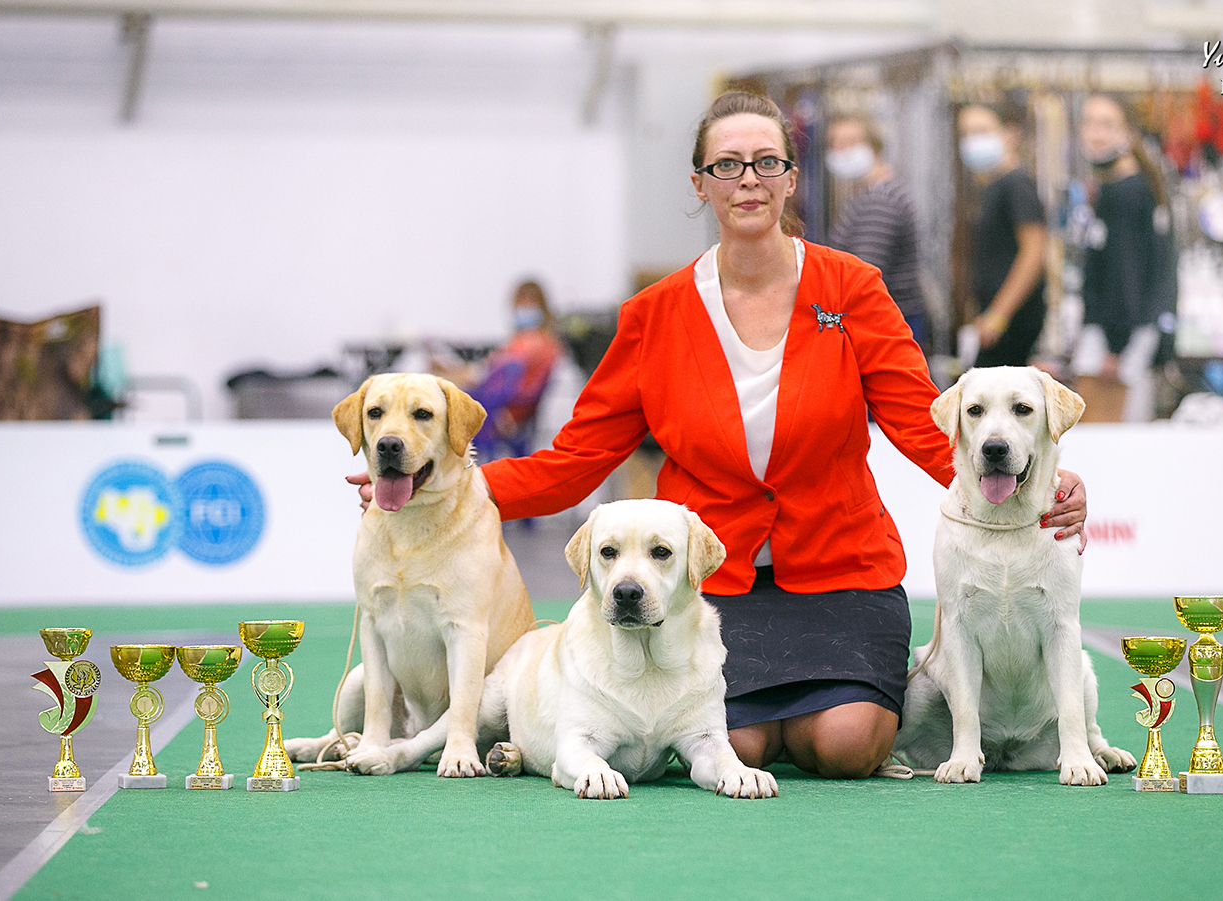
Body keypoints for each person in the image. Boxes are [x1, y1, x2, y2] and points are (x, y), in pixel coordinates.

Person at [354, 92, 1088, 779]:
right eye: (727, 165)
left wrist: (1034, 483)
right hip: (713, 582)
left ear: (791, 178)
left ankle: (814, 720)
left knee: (847, 743)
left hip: (842, 568)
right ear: (700, 183)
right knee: (735, 743)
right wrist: (434, 485)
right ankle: (771, 725)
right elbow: (576, 461)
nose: (749, 180)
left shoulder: (853, 290)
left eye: (768, 162)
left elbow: (923, 423)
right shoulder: (653, 315)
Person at [1073, 94, 1175, 420]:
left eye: (1107, 124)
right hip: (1125, 338)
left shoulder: (1126, 193)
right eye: (1088, 122)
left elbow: (1127, 274)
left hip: (1116, 343)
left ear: (1129, 133)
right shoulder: (1126, 188)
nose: (1095, 132)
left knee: (1106, 444)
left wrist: (1115, 348)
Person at [824, 115, 929, 353]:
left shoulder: (880, 200)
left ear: (875, 147)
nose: (840, 151)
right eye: (835, 143)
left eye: (850, 142)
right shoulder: (870, 195)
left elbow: (863, 271)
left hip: (885, 328)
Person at [957, 99, 1049, 368]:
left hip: (1012, 320)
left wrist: (999, 315)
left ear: (1010, 134)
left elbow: (1033, 253)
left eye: (982, 130)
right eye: (966, 133)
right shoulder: (990, 186)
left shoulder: (1017, 184)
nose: (973, 140)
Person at [431, 280, 563, 460]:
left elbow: (494, 376)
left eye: (529, 304)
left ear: (542, 307)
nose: (523, 309)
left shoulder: (537, 344)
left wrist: (455, 374)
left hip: (503, 413)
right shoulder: (521, 342)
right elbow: (489, 370)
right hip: (497, 405)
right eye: (520, 303)